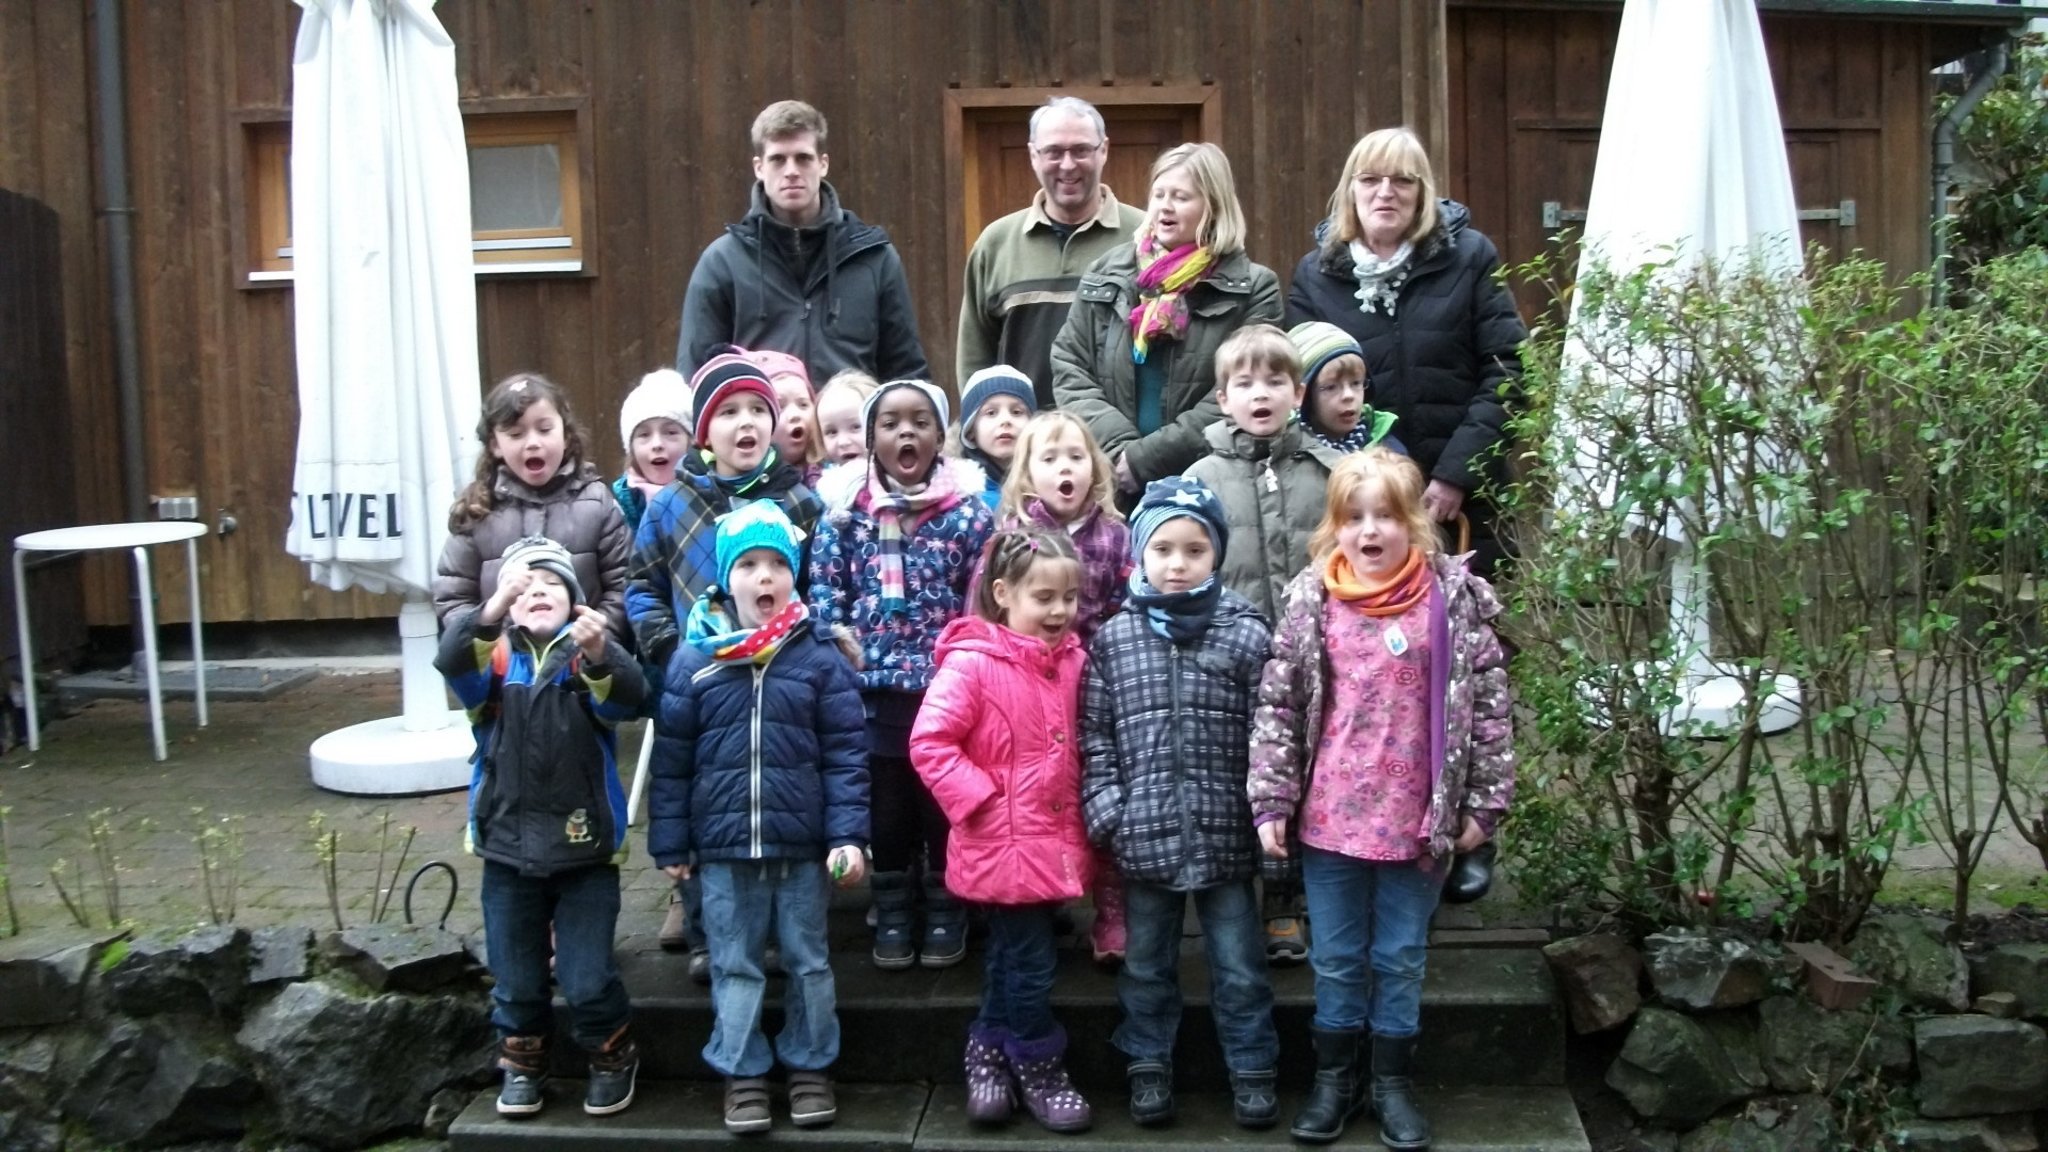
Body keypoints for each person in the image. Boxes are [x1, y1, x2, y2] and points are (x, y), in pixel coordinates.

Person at [1247, 448, 1516, 1148]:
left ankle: (1391, 1083)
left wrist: (1483, 807)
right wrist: (1272, 802)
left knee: (1398, 955)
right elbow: (1279, 706)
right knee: (1336, 957)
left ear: (1415, 524)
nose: (1370, 531)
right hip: (1330, 819)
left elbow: (1487, 710)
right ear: (1334, 526)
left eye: (1387, 516)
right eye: (1354, 516)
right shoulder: (1313, 602)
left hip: (1416, 824)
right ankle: (1335, 1080)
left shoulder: (1448, 604)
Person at [648, 502, 869, 1135]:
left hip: (801, 849)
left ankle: (809, 1064)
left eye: (777, 563)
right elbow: (673, 762)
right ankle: (742, 1070)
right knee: (735, 963)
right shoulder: (695, 662)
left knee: (808, 960)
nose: (764, 576)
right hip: (721, 852)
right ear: (725, 579)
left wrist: (848, 835)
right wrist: (671, 839)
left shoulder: (818, 657)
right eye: (749, 564)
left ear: (794, 575)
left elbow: (847, 757)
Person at [1080, 477, 1279, 1130]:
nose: (1178, 563)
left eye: (1194, 549)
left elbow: (1271, 734)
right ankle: (1147, 1068)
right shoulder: (1115, 640)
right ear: (1139, 553)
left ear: (1216, 555)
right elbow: (1096, 735)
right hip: (1145, 835)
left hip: (1227, 838)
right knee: (1147, 967)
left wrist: (1266, 813)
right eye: (1163, 548)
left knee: (1241, 967)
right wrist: (1111, 810)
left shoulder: (1246, 634)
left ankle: (1252, 1070)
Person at [626, 352, 824, 979]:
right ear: (703, 430)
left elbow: (818, 585)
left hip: (776, 684)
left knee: (765, 801)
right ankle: (705, 927)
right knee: (697, 798)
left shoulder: (799, 503)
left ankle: (767, 929)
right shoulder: (670, 505)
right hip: (699, 686)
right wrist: (666, 649)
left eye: (758, 411)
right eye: (729, 412)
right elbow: (642, 587)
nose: (747, 423)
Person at [435, 536, 648, 1119]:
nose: (537, 592)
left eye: (552, 584)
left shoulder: (587, 657)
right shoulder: (493, 660)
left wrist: (604, 652)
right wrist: (488, 610)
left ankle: (611, 1052)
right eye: (524, 586)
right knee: (516, 975)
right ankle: (524, 1058)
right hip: (507, 848)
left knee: (586, 977)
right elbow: (453, 662)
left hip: (585, 852)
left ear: (576, 602)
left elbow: (629, 699)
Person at [910, 526, 1094, 1135]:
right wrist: (983, 801)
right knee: (1033, 964)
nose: (1059, 611)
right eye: (1043, 597)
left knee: (1012, 959)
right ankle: (1038, 1063)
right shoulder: (973, 663)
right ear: (1003, 594)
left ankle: (986, 1051)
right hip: (1001, 842)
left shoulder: (1072, 662)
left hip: (1050, 843)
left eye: (1068, 598)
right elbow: (931, 742)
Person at [808, 379, 995, 970]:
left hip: (946, 690)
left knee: (940, 804)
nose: (905, 432)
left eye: (920, 421)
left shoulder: (968, 515)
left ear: (941, 436)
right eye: (890, 423)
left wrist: (971, 661)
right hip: (875, 692)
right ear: (869, 439)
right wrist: (840, 651)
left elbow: (983, 595)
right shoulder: (843, 518)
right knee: (886, 807)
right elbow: (825, 593)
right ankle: (891, 904)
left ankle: (945, 902)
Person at [1285, 127, 1525, 575]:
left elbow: (1509, 370)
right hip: (1362, 515)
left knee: (1468, 638)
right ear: (1350, 190)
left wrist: (1456, 474)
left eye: (1402, 181)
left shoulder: (1470, 259)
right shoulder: (1315, 275)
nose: (1385, 193)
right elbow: (1301, 396)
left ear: (1423, 192)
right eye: (1371, 180)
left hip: (1466, 507)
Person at [1052, 142, 1282, 504]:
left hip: (1207, 483)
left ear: (1214, 206)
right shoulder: (1106, 273)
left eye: (1181, 197)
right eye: (1159, 194)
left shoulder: (1254, 288)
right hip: (1110, 485)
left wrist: (1147, 459)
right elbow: (1070, 366)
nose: (1165, 206)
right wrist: (1119, 453)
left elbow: (1244, 389)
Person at [981, 409, 1130, 965]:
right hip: (1024, 687)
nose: (1065, 468)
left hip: (1093, 682)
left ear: (1094, 468)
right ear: (1026, 474)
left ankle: (1112, 912)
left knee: (1100, 791)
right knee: (1042, 796)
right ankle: (1042, 901)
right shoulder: (1012, 539)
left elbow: (1123, 607)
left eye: (1076, 456)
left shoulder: (1115, 535)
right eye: (1049, 458)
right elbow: (987, 609)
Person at [676, 100, 928, 384]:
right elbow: (695, 379)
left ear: (823, 164)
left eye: (803, 158)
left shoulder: (874, 259)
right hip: (761, 426)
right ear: (759, 167)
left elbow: (907, 375)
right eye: (778, 159)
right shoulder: (722, 263)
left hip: (851, 426)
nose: (791, 170)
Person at [956, 96, 1146, 405]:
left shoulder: (1144, 237)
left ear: (1104, 151)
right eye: (1054, 152)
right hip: (1022, 443)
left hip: (1116, 442)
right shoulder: (996, 243)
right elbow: (974, 359)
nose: (1068, 165)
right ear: (1033, 155)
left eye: (1081, 150)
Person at [434, 373, 631, 641]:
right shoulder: (477, 510)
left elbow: (623, 585)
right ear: (495, 445)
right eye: (516, 434)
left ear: (566, 435)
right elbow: (453, 597)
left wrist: (594, 642)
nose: (533, 442)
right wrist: (492, 644)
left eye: (545, 429)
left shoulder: (597, 502)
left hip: (583, 665)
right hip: (502, 670)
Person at [1288, 321, 1404, 456]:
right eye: (1331, 387)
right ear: (1304, 396)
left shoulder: (1387, 450)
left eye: (1356, 383)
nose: (1348, 395)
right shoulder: (1288, 453)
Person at [611, 368, 693, 534]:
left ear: (691, 441)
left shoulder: (711, 497)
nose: (657, 444)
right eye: (644, 434)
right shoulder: (617, 508)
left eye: (670, 433)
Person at [957, 365, 1038, 511]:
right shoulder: (958, 495)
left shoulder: (1047, 484)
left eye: (1017, 412)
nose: (1005, 420)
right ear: (970, 431)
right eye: (991, 413)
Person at [748, 348, 824, 487]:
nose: (795, 415)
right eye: (780, 407)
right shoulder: (742, 480)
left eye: (803, 404)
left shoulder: (829, 475)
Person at [815, 370, 879, 471]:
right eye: (832, 432)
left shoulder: (903, 479)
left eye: (856, 427)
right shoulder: (825, 484)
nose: (843, 442)